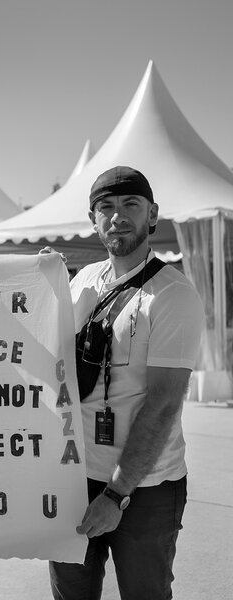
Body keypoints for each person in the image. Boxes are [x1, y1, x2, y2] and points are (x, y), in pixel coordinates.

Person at [48, 166, 205, 600]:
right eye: (106, 208)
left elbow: (164, 403)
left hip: (144, 488)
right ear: (93, 219)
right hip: (73, 477)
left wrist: (116, 494)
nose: (118, 217)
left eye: (130, 206)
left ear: (152, 215)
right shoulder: (81, 281)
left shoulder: (173, 295)